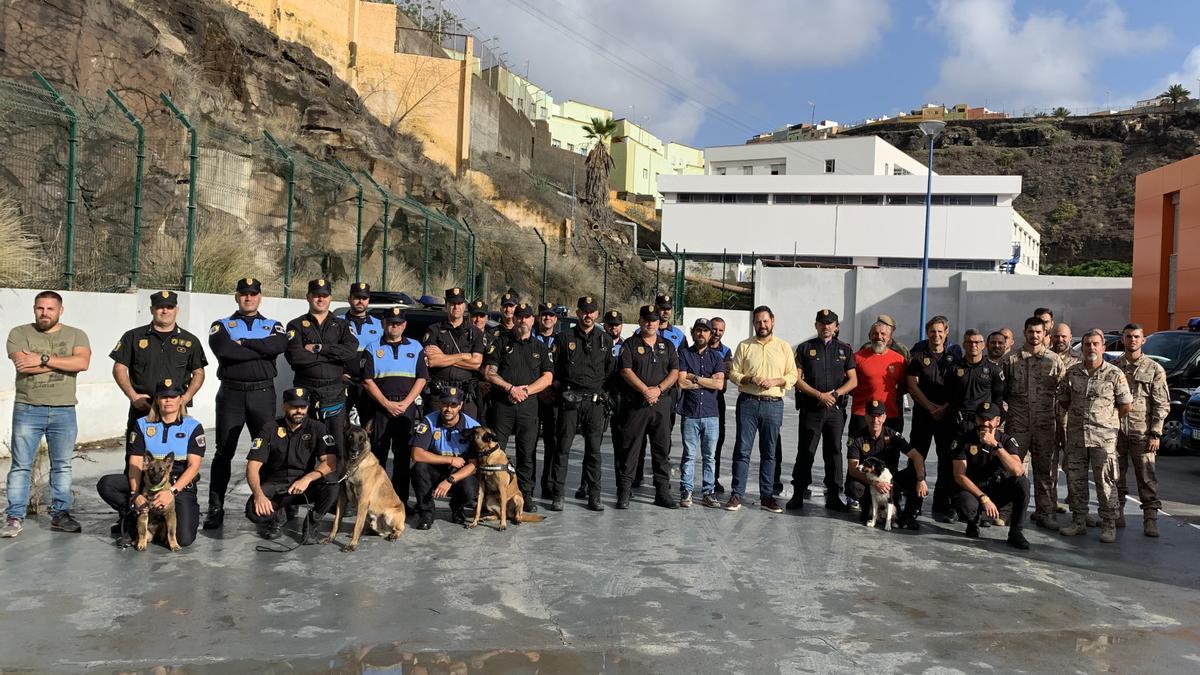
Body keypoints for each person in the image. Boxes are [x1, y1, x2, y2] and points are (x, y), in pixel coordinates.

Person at [3, 291, 91, 538]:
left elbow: (81, 363)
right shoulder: (19, 333)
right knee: (21, 465)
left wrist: (41, 359)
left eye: (50, 309)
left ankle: (60, 514)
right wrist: (63, 361)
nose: (45, 313)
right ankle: (13, 516)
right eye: (40, 308)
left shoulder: (76, 334)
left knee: (62, 466)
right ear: (34, 309)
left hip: (64, 410)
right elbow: (22, 364)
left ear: (60, 310)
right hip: (27, 408)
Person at [203, 277, 288, 530]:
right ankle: (216, 508)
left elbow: (279, 345)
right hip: (231, 396)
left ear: (260, 297)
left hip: (262, 394)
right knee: (224, 452)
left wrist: (247, 343)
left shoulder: (274, 325)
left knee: (269, 452)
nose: (248, 298)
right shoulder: (222, 325)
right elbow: (226, 351)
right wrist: (262, 351)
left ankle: (270, 508)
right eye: (243, 294)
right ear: (236, 297)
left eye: (253, 294)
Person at [96, 379, 205, 548]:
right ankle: (135, 520)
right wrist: (135, 494)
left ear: (181, 400)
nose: (168, 400)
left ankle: (159, 523)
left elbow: (193, 466)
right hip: (147, 479)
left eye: (173, 396)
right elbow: (136, 463)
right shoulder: (142, 424)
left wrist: (171, 492)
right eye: (163, 397)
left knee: (183, 539)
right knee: (107, 484)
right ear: (157, 400)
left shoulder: (193, 426)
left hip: (178, 482)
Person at [1056, 329, 1132, 543]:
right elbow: (1064, 400)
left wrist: (1105, 420)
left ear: (1103, 347)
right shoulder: (1073, 373)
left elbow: (1125, 405)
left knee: (1105, 482)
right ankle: (1078, 521)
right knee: (1076, 480)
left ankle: (1108, 524)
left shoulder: (1114, 374)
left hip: (1103, 439)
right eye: (1087, 344)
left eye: (1095, 344)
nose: (1091, 348)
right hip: (1077, 437)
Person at [724, 306, 796, 513]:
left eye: (765, 321)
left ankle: (767, 496)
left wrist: (776, 380)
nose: (762, 325)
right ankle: (737, 494)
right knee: (742, 450)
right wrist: (750, 378)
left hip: (773, 405)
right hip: (747, 402)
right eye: (758, 322)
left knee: (770, 453)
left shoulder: (783, 347)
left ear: (772, 321)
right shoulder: (745, 346)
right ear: (754, 323)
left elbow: (792, 375)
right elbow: (734, 373)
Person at [244, 388, 338, 542]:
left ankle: (311, 523)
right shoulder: (269, 428)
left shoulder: (317, 428)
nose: (299, 411)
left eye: (303, 407)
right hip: (277, 484)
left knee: (332, 482)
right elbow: (252, 466)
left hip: (305, 485)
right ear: (284, 406)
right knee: (253, 512)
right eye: (294, 407)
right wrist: (259, 495)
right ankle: (277, 518)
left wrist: (307, 478)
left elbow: (330, 462)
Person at [484, 303, 553, 510]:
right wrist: (510, 388)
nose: (523, 320)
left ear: (534, 320)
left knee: (527, 453)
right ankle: (493, 495)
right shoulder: (500, 342)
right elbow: (489, 372)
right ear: (514, 319)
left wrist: (525, 391)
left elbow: (548, 377)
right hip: (503, 406)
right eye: (519, 317)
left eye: (527, 317)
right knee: (495, 452)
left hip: (528, 407)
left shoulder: (541, 348)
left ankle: (525, 494)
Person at [285, 279, 360, 465]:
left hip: (334, 393)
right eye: (317, 295)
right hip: (305, 393)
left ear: (330, 298)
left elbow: (350, 351)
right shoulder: (295, 325)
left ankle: (334, 489)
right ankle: (304, 488)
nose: (321, 299)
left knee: (336, 445)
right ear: (308, 297)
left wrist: (318, 348)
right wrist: (333, 354)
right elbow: (295, 357)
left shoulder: (341, 325)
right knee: (303, 443)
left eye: (324, 296)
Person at [790, 309, 857, 512]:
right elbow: (797, 380)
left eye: (830, 323)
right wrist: (819, 395)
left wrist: (835, 395)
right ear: (816, 325)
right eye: (822, 323)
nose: (826, 327)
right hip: (812, 409)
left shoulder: (845, 349)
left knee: (834, 452)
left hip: (835, 411)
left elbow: (853, 380)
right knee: (806, 451)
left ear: (836, 327)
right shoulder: (804, 348)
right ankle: (798, 492)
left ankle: (834, 495)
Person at [552, 296, 614, 512]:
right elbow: (556, 369)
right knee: (563, 448)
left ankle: (594, 496)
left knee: (594, 452)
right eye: (584, 311)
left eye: (592, 311)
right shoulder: (563, 337)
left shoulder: (605, 339)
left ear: (597, 314)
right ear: (578, 313)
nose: (588, 315)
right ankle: (558, 495)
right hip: (570, 400)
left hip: (594, 403)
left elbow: (609, 371)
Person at [361, 306, 429, 503]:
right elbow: (367, 380)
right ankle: (374, 500)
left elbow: (422, 378)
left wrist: (406, 403)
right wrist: (386, 403)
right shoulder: (373, 348)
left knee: (402, 458)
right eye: (390, 323)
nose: (394, 326)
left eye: (398, 324)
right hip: (381, 407)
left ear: (404, 325)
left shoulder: (415, 347)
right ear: (383, 324)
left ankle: (399, 500)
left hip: (406, 408)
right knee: (377, 456)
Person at [111, 290, 207, 428]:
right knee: (137, 449)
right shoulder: (133, 337)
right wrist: (133, 396)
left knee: (176, 449)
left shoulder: (190, 341)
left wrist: (186, 398)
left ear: (177, 310)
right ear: (151, 310)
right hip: (143, 407)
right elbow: (119, 368)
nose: (165, 311)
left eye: (170, 307)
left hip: (176, 410)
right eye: (160, 307)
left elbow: (199, 373)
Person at [1003, 317, 1065, 531]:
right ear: (1025, 332)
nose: (1034, 335)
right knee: (1012, 470)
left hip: (1044, 426)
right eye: (1031, 331)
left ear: (1044, 334)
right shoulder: (1011, 361)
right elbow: (1002, 393)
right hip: (1017, 425)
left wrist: (1061, 426)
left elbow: (1063, 394)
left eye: (1038, 332)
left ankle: (1044, 513)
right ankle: (1007, 512)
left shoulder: (1054, 361)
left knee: (1044, 472)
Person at [617, 305, 681, 509]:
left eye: (654, 320)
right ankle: (624, 493)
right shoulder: (630, 344)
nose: (650, 323)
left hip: (661, 405)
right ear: (640, 321)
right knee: (631, 450)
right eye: (646, 319)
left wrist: (658, 390)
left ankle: (662, 493)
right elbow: (626, 371)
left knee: (661, 451)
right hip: (637, 405)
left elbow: (674, 371)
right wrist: (645, 390)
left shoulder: (667, 345)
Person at [939, 328, 1005, 522]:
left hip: (982, 425)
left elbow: (999, 400)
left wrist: (994, 425)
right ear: (964, 344)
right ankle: (952, 506)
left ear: (983, 345)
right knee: (952, 465)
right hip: (957, 425)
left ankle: (981, 509)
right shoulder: (954, 368)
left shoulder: (993, 370)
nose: (973, 345)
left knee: (982, 467)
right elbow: (948, 396)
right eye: (969, 342)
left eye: (977, 342)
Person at [951, 401, 1031, 550]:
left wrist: (996, 445)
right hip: (973, 490)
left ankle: (1015, 532)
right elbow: (959, 475)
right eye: (981, 418)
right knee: (965, 504)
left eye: (989, 419)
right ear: (976, 419)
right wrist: (983, 498)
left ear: (997, 421)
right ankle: (973, 522)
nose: (985, 423)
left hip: (996, 488)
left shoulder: (1006, 441)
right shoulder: (963, 439)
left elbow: (1017, 470)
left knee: (1023, 483)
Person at [1113, 323, 1169, 537]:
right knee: (1115, 476)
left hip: (1142, 433)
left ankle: (1150, 519)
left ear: (1143, 340)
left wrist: (1156, 433)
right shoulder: (1114, 367)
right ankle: (1116, 514)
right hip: (1117, 432)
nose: (1132, 340)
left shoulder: (1154, 369)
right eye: (1128, 336)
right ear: (1123, 340)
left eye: (1136, 336)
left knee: (1146, 477)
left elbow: (1161, 404)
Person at [906, 316, 958, 521]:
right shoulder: (918, 355)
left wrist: (945, 408)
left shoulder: (955, 355)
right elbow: (912, 385)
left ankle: (941, 506)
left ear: (946, 333)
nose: (936, 335)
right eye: (932, 331)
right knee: (916, 458)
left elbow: (957, 386)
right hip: (923, 416)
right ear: (927, 333)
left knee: (946, 461)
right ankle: (913, 505)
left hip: (946, 416)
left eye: (940, 331)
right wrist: (929, 407)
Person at [845, 400, 927, 529]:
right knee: (854, 486)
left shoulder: (893, 436)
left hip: (892, 482)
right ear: (866, 416)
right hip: (869, 483)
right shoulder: (857, 438)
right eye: (872, 416)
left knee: (915, 474)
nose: (875, 420)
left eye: (879, 416)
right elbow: (853, 469)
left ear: (884, 417)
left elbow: (917, 457)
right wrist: (875, 483)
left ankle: (909, 514)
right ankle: (867, 508)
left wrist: (921, 479)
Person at [410, 387, 481, 529]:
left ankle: (457, 507)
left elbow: (474, 464)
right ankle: (427, 513)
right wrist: (449, 460)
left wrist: (450, 480)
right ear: (440, 404)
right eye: (445, 404)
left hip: (459, 473)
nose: (448, 409)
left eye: (453, 405)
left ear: (460, 406)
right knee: (419, 468)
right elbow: (416, 454)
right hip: (436, 469)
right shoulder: (429, 421)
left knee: (470, 487)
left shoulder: (473, 427)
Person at [676, 318, 726, 508]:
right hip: (690, 413)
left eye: (705, 331)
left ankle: (708, 492)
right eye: (698, 330)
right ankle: (686, 490)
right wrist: (707, 381)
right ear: (693, 332)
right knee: (689, 455)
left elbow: (719, 384)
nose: (701, 334)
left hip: (711, 414)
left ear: (710, 334)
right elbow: (681, 382)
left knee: (709, 456)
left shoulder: (716, 357)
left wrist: (694, 377)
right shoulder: (684, 354)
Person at [424, 286, 486, 419]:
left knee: (467, 434)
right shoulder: (434, 330)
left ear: (464, 306)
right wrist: (463, 356)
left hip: (465, 393)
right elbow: (432, 361)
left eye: (459, 304)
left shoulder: (475, 333)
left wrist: (444, 357)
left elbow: (476, 363)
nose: (456, 307)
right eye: (452, 303)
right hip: (439, 393)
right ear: (447, 305)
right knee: (435, 433)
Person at [850, 320, 907, 437]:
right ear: (870, 336)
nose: (879, 337)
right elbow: (848, 384)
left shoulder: (899, 360)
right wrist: (862, 395)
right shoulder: (857, 357)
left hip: (889, 415)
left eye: (883, 334)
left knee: (890, 454)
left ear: (889, 337)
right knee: (858, 453)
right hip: (862, 415)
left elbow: (905, 385)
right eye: (875, 334)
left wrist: (892, 394)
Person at [1049, 322, 1083, 519]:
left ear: (1070, 337)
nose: (1060, 340)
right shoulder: (1044, 358)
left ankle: (1078, 508)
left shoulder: (1079, 360)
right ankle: (1051, 503)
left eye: (1064, 336)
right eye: (1056, 336)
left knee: (1074, 466)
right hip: (1048, 420)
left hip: (1071, 421)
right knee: (1049, 465)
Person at [343, 281, 382, 424]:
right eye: (357, 297)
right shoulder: (337, 322)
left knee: (369, 426)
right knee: (340, 425)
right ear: (349, 299)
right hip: (344, 382)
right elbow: (331, 353)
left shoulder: (380, 325)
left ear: (368, 300)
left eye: (364, 298)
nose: (360, 301)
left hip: (369, 384)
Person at [534, 303, 561, 498]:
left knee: (552, 443)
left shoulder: (561, 340)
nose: (547, 318)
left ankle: (548, 484)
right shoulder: (530, 337)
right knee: (528, 444)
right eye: (544, 315)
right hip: (533, 397)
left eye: (551, 316)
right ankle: (527, 485)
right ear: (538, 317)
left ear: (556, 319)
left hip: (553, 397)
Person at [709, 316, 734, 495]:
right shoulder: (695, 348)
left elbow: (724, 378)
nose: (717, 333)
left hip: (717, 400)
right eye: (715, 329)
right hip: (696, 399)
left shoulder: (726, 351)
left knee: (717, 441)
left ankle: (713, 478)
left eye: (721, 330)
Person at [469, 299, 494, 423]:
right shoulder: (463, 336)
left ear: (487, 318)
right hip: (468, 386)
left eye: (481, 316)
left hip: (487, 388)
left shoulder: (491, 339)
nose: (478, 319)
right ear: (469, 317)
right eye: (474, 315)